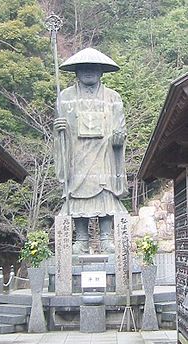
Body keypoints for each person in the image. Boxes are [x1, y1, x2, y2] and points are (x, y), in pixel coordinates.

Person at [54, 48, 128, 254]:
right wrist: (59, 129)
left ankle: (105, 238)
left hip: (104, 154)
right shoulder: (65, 97)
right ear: (76, 72)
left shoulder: (113, 97)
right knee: (77, 194)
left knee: (106, 192)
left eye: (93, 68)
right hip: (77, 155)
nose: (88, 72)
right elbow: (60, 132)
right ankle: (82, 240)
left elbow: (119, 126)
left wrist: (118, 137)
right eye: (83, 68)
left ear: (101, 72)